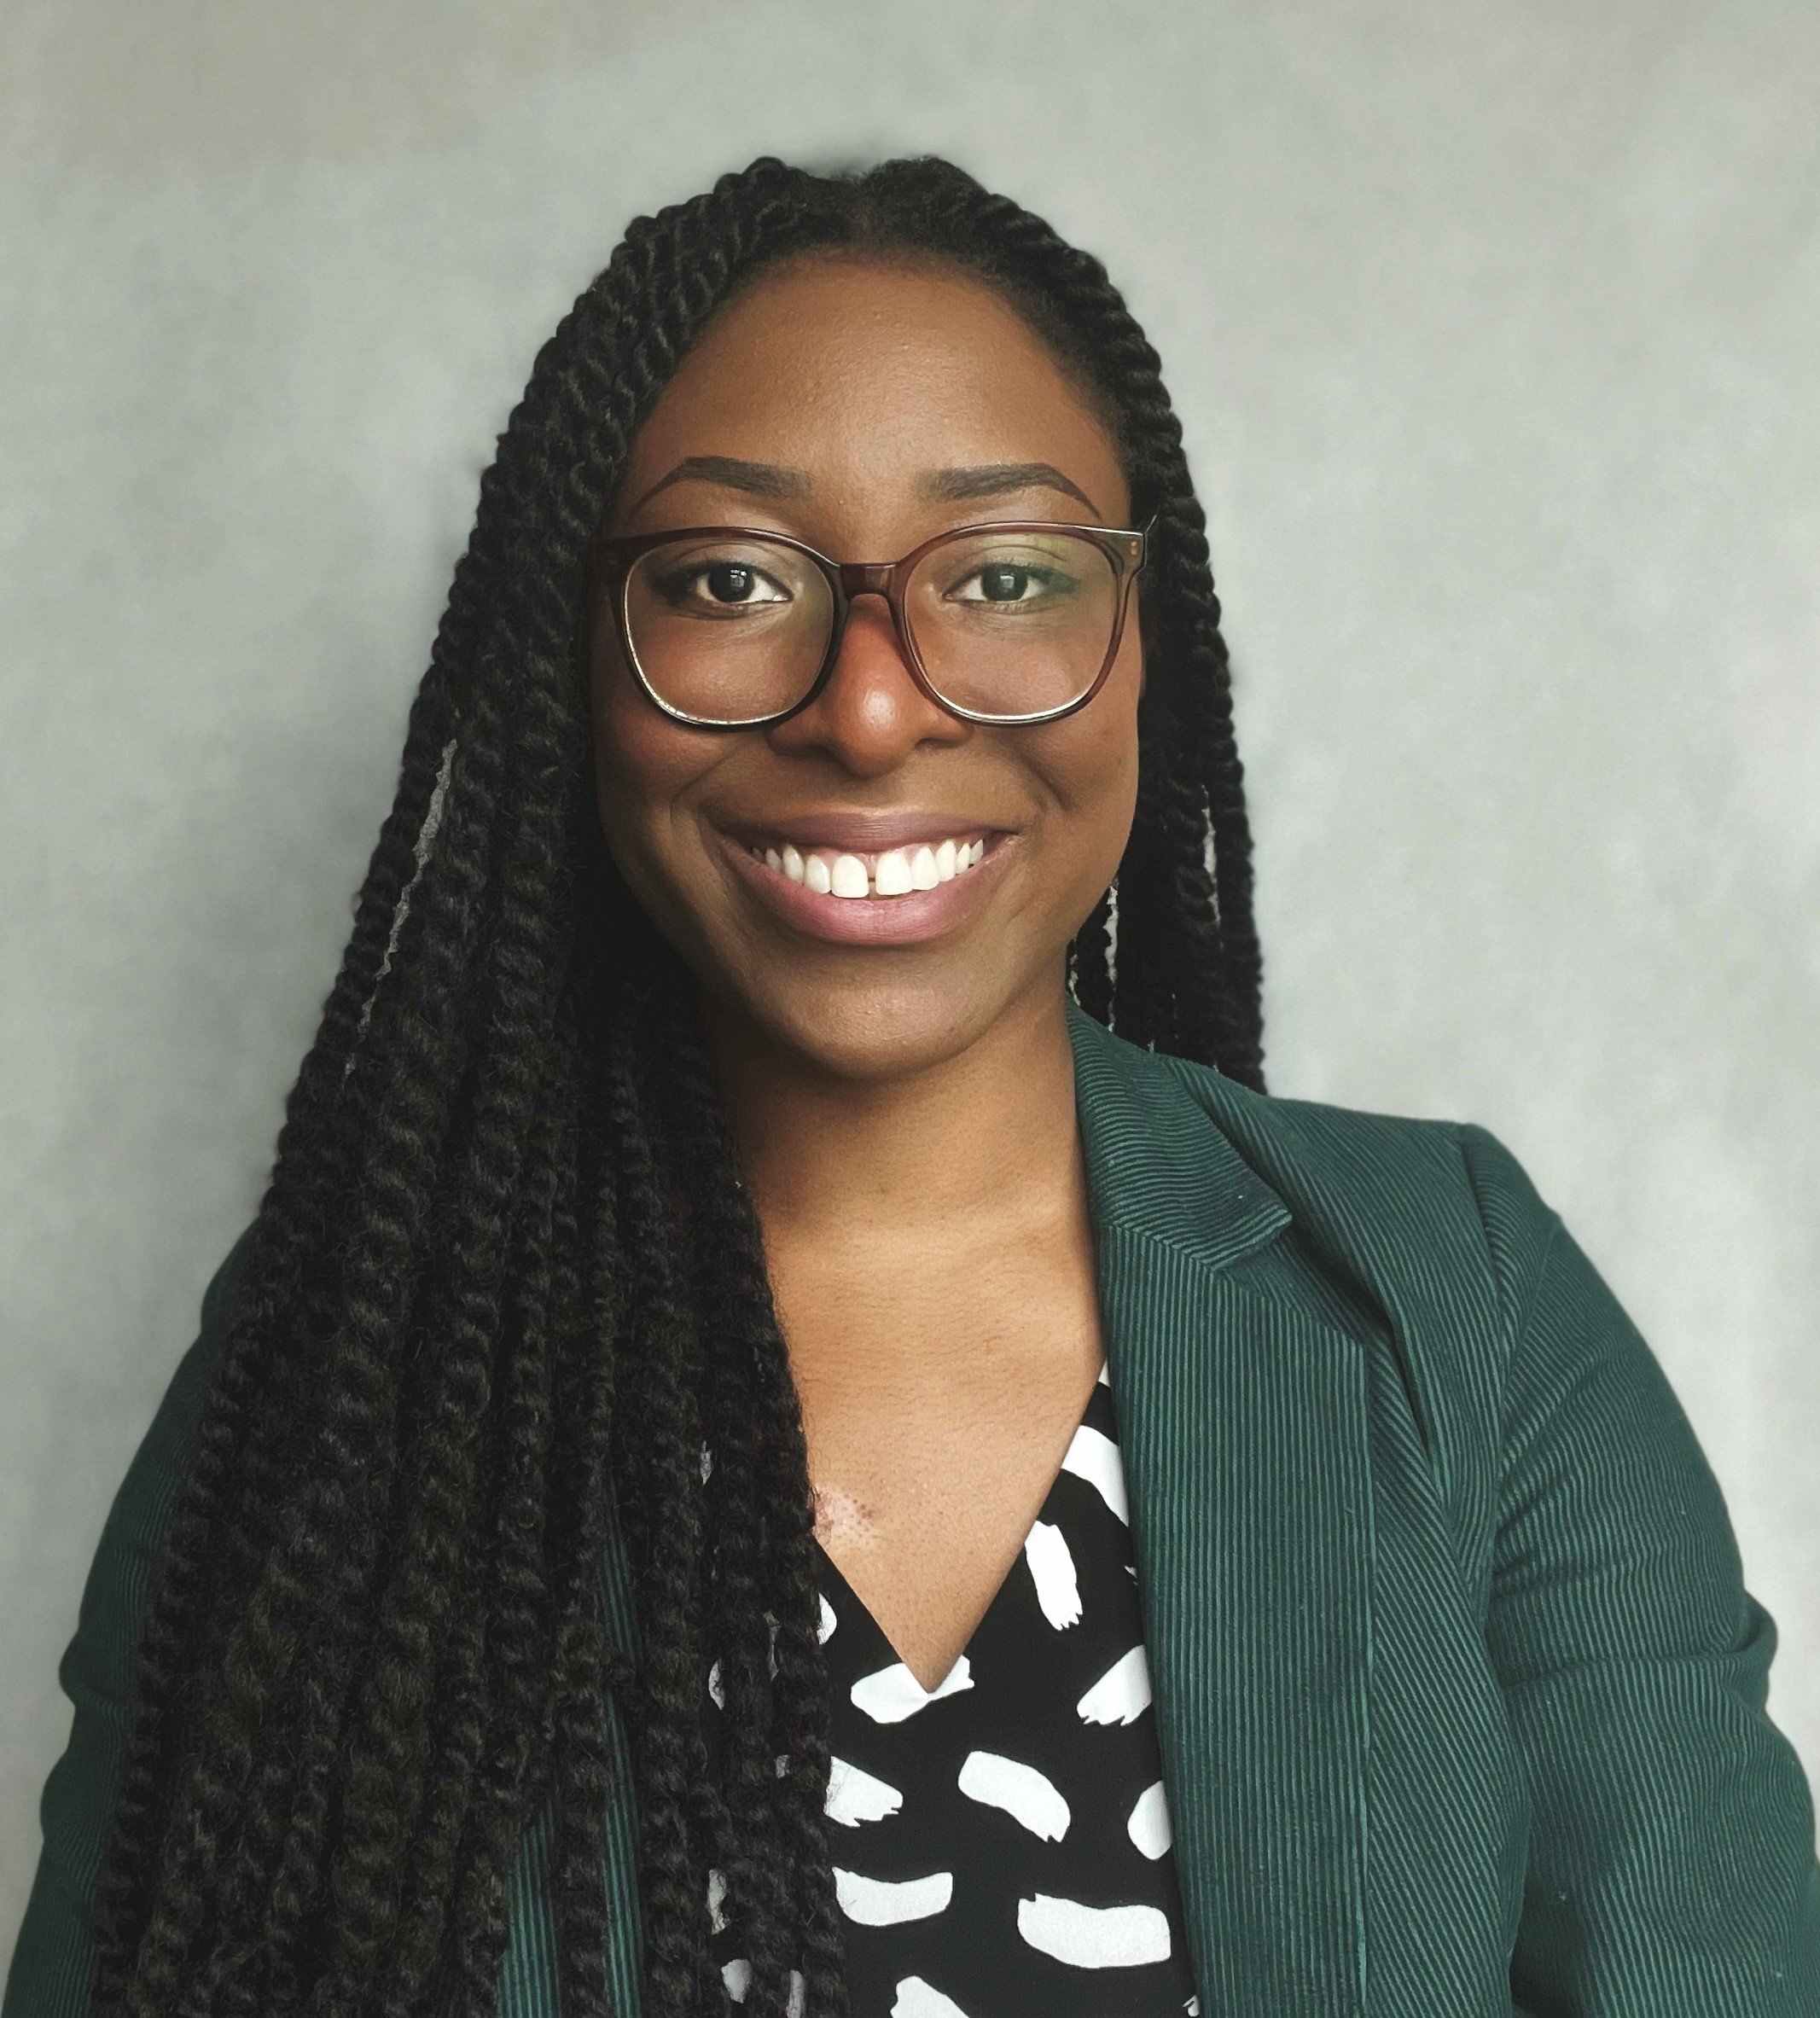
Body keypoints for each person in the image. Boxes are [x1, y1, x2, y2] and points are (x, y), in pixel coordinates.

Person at [4, 154, 1816, 2018]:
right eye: (726, 576)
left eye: (1006, 574)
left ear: (1142, 649)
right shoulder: (359, 1363)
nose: (868, 704)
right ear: (579, 667)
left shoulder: (1457, 1296)